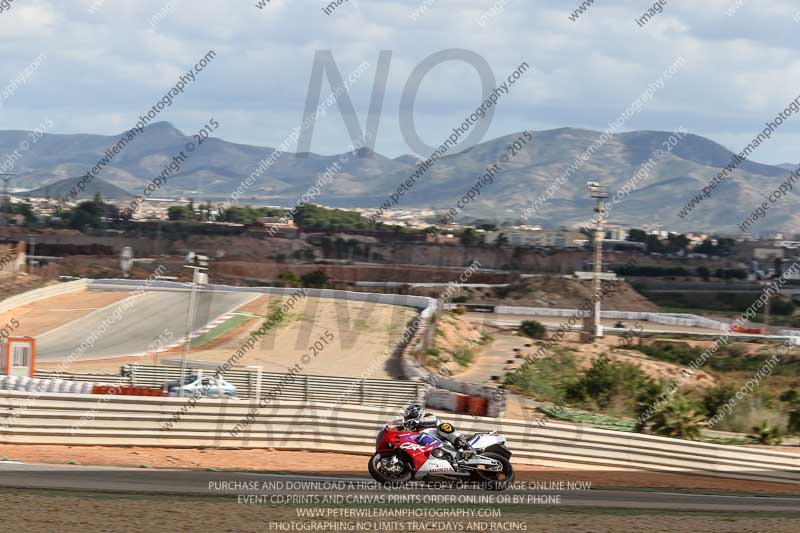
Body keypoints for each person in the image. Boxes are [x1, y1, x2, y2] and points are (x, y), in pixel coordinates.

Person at [402, 404, 474, 459]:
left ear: (415, 413)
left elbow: (433, 420)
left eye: (408, 414)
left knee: (444, 426)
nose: (406, 416)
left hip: (443, 440)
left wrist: (417, 422)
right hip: (429, 447)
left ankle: (468, 447)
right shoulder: (410, 427)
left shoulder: (428, 416)